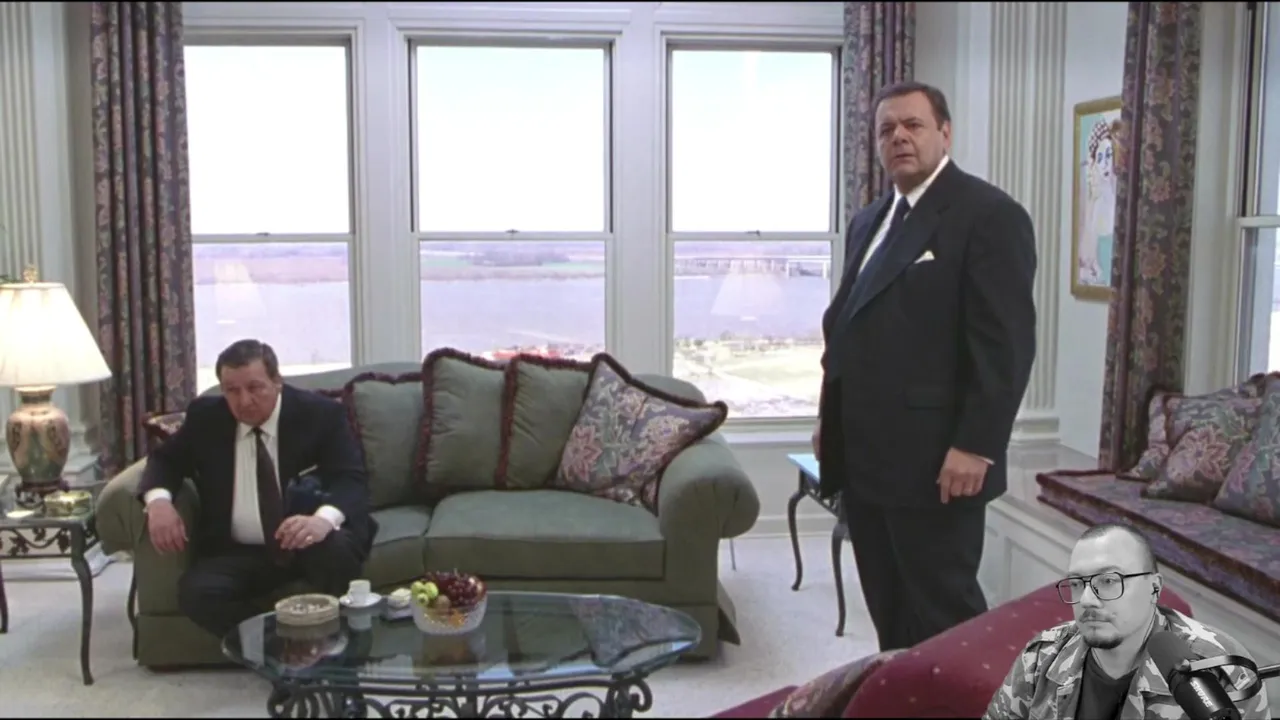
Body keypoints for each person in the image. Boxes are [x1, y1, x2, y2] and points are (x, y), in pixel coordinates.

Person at [814, 80, 1037, 651]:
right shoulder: (868, 221)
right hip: (866, 462)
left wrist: (976, 445)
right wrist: (828, 417)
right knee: (889, 613)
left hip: (937, 464)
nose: (899, 138)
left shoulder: (989, 216)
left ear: (945, 132)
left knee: (946, 619)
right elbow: (847, 326)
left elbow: (1006, 346)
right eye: (886, 129)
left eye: (913, 125)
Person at [137, 339, 377, 640]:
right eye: (232, 390)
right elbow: (165, 460)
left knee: (338, 552)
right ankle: (279, 646)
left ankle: (332, 646)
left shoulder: (319, 415)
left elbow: (351, 478)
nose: (244, 401)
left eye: (255, 388)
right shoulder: (207, 417)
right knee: (196, 593)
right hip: (239, 551)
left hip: (307, 541)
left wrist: (322, 520)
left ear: (277, 382)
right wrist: (158, 502)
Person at [985, 524, 1269, 719]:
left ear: (1154, 588)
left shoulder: (1219, 671)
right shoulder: (1041, 658)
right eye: (1077, 583)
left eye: (1109, 581)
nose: (1087, 599)